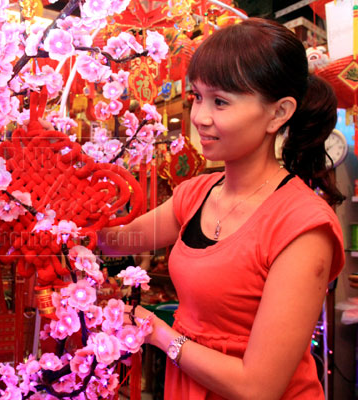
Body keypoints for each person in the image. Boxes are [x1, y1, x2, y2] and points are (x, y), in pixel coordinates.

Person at [99, 18, 345, 400]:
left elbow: (259, 387)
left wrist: (160, 334)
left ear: (279, 113)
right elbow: (117, 241)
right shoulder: (194, 193)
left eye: (220, 102)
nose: (200, 117)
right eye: (197, 97)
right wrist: (62, 206)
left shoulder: (303, 226)